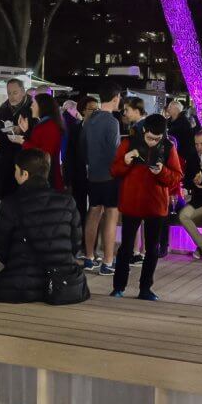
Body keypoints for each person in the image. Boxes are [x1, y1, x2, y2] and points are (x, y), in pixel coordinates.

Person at [0, 149, 83, 302]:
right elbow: (75, 243)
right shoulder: (67, 201)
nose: (14, 174)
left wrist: (15, 262)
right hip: (63, 285)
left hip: (20, 284)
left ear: (24, 174)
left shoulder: (11, 204)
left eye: (16, 170)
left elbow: (0, 245)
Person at [109, 113, 183, 301]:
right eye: (150, 138)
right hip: (131, 201)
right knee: (125, 247)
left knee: (152, 248)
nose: (153, 142)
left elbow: (176, 177)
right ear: (143, 130)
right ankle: (118, 286)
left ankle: (145, 288)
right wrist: (125, 161)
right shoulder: (129, 143)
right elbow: (114, 170)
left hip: (156, 204)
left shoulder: (168, 147)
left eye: (157, 139)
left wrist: (162, 172)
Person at [82, 83, 123, 274]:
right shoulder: (112, 122)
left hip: (93, 174)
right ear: (115, 98)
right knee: (111, 215)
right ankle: (107, 262)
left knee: (94, 211)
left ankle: (89, 257)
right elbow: (113, 151)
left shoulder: (90, 119)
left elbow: (83, 146)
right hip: (109, 174)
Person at [177, 131, 202, 262]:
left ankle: (200, 249)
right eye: (196, 144)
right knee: (183, 216)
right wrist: (194, 182)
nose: (199, 147)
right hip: (199, 200)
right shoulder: (192, 157)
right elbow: (187, 181)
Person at [0, 79, 32, 197]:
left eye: (15, 93)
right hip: (6, 160)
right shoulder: (3, 108)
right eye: (9, 93)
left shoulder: (32, 107)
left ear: (23, 91)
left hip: (25, 160)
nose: (11, 96)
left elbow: (37, 132)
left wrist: (22, 130)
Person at [20, 93, 65, 191]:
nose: (31, 106)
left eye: (34, 104)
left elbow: (45, 154)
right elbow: (37, 143)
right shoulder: (45, 123)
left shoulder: (49, 126)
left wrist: (22, 142)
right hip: (42, 175)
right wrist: (26, 132)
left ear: (42, 106)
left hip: (47, 177)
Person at [65, 95, 95, 228]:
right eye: (91, 109)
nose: (95, 112)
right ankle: (79, 238)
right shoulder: (75, 128)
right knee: (78, 208)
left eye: (97, 109)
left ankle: (91, 243)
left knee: (95, 210)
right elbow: (69, 154)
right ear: (83, 110)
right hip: (79, 175)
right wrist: (68, 178)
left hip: (96, 176)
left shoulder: (100, 129)